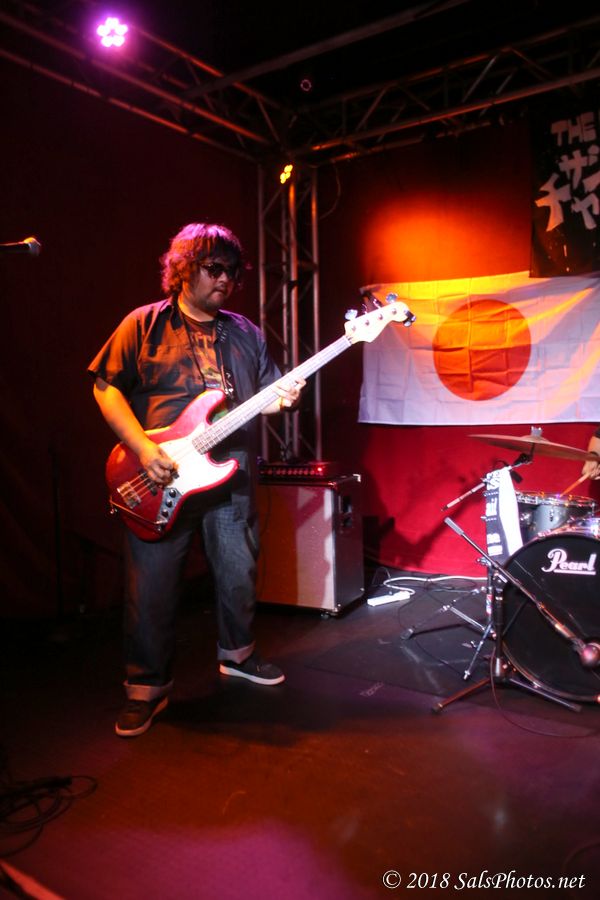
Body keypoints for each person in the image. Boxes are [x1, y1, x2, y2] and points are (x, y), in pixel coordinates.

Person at [88, 222, 304, 737]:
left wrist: (284, 398)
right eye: (214, 268)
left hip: (230, 472)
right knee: (152, 587)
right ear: (184, 269)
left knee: (238, 572)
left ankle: (238, 655)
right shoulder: (143, 324)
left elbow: (267, 396)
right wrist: (144, 449)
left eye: (233, 271)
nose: (225, 279)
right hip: (161, 475)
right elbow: (105, 387)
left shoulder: (246, 332)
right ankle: (146, 688)